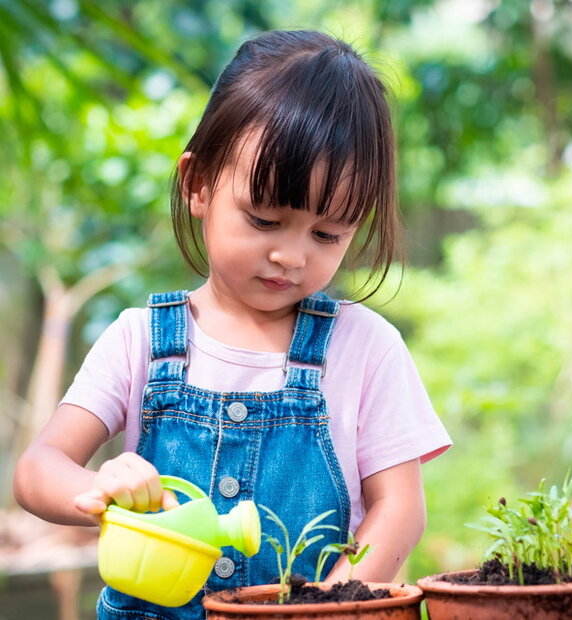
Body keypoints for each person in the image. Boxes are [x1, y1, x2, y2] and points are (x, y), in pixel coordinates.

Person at [13, 29, 451, 618]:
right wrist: (99, 492)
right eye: (265, 219)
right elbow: (39, 470)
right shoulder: (139, 341)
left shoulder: (366, 348)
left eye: (327, 234)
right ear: (198, 184)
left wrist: (322, 607)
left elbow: (399, 511)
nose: (292, 256)